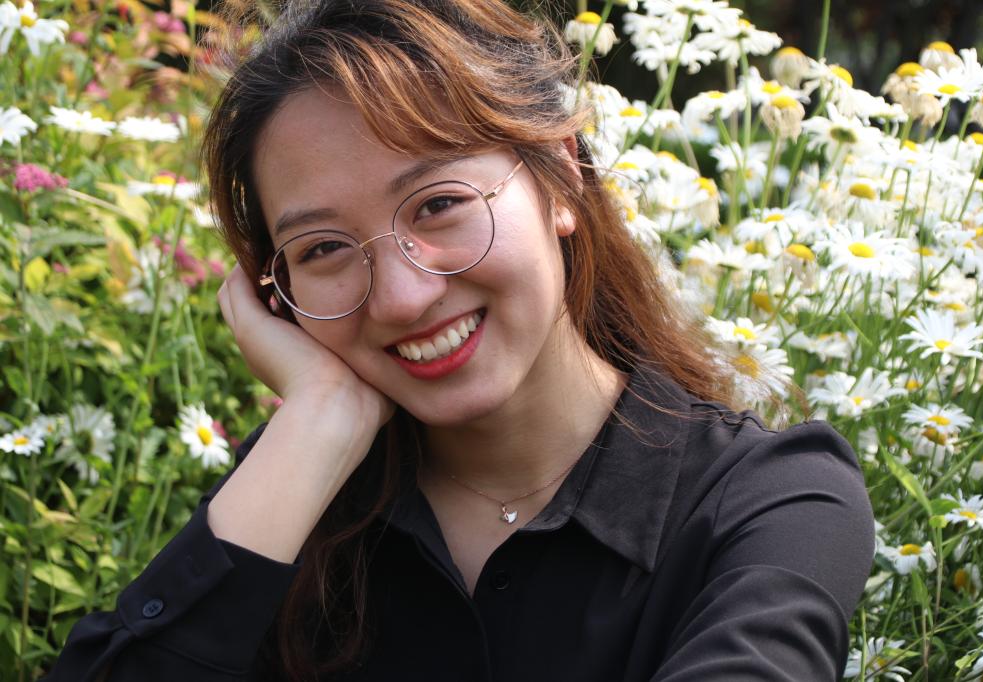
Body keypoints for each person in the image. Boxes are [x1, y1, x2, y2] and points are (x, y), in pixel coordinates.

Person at [42, 0, 876, 680]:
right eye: (323, 249)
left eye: (439, 204)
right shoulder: (293, 502)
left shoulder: (770, 508)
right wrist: (319, 417)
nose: (402, 297)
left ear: (562, 175)